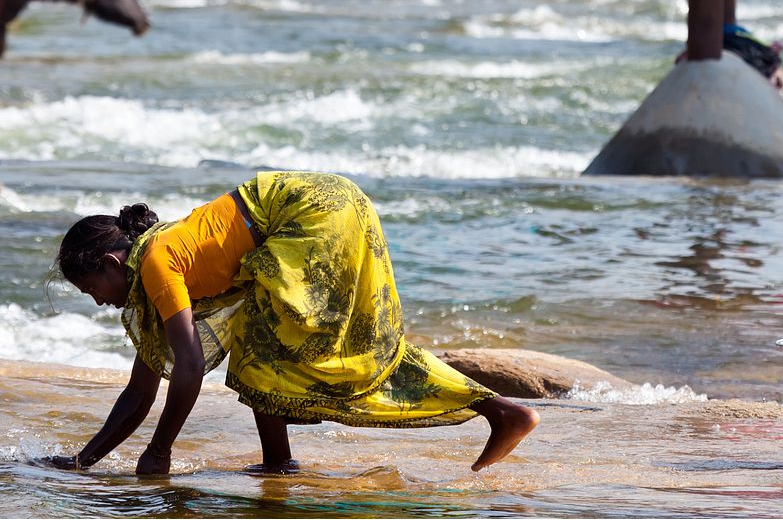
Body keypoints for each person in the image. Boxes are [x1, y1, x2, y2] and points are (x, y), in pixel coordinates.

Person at [40, 171, 540, 476]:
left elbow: (188, 369)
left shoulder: (157, 263)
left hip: (311, 216)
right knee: (281, 349)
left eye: (91, 290)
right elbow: (141, 387)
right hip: (336, 201)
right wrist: (85, 462)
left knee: (273, 350)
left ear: (110, 262)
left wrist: (159, 451)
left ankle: (497, 410)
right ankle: (279, 459)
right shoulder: (163, 253)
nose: (100, 304)